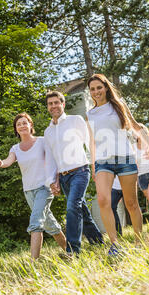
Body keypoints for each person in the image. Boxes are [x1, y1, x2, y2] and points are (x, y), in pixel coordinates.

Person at [0, 113, 66, 260]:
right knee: (50, 224)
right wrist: (1, 163)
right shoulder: (15, 148)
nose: (22, 126)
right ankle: (70, 250)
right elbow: (9, 160)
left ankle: (33, 263)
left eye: (24, 123)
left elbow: (54, 161)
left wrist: (56, 180)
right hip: (28, 191)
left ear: (31, 125)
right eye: (19, 124)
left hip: (45, 188)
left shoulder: (42, 141)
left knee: (35, 223)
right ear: (16, 129)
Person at [86, 73, 145, 255]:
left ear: (106, 87)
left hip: (125, 158)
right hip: (103, 161)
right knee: (103, 200)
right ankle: (115, 245)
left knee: (131, 203)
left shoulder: (119, 105)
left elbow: (135, 126)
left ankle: (139, 242)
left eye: (99, 87)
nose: (96, 92)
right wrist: (93, 165)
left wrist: (147, 144)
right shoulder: (90, 114)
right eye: (92, 89)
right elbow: (92, 141)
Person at [43, 91, 104, 256]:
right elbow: (50, 159)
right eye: (50, 103)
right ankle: (98, 241)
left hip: (80, 171)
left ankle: (73, 250)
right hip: (63, 177)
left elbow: (89, 142)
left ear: (63, 104)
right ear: (48, 107)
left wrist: (95, 165)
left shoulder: (75, 120)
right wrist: (52, 181)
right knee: (81, 209)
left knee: (72, 207)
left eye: (57, 102)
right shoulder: (48, 132)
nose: (54, 106)